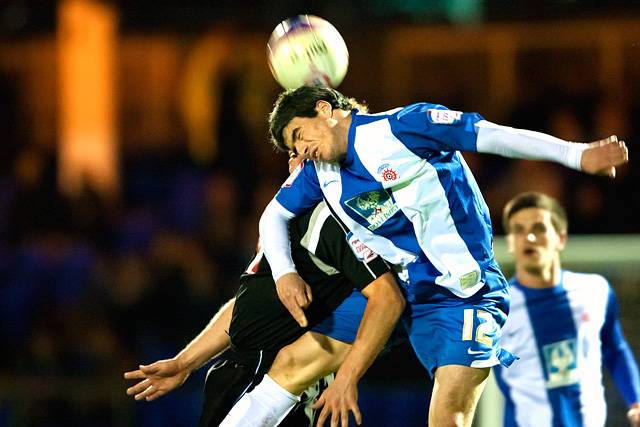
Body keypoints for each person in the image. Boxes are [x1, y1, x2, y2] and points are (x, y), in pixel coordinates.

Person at [252, 84, 629, 426]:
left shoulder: (405, 126)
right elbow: (274, 214)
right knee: (289, 363)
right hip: (396, 295)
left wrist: (575, 154)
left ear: (325, 109)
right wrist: (285, 273)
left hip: (463, 294)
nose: (300, 151)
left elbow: (489, 135)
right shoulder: (319, 171)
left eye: (299, 135)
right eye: (293, 147)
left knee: (448, 419)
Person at [124, 154, 405, 427]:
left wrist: (348, 376)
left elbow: (384, 297)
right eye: (293, 152)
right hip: (237, 373)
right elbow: (246, 304)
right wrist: (184, 363)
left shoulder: (335, 225)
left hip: (274, 381)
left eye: (307, 152)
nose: (294, 162)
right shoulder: (280, 222)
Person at [494, 191, 640, 427]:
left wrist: (636, 401)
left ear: (561, 238)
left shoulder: (595, 290)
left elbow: (615, 348)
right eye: (518, 230)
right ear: (510, 242)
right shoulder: (495, 308)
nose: (529, 238)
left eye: (539, 228)